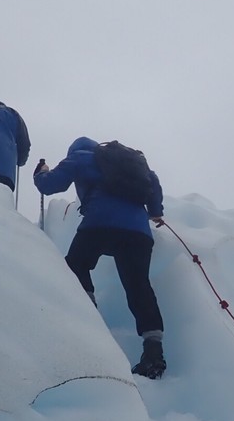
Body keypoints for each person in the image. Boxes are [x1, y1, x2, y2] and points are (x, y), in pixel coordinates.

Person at [33, 137, 167, 379]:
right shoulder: (127, 163)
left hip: (100, 224)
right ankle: (154, 351)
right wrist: (156, 211)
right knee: (139, 287)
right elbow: (153, 180)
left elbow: (50, 185)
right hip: (138, 232)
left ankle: (89, 319)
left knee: (76, 265)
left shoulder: (81, 158)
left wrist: (40, 173)